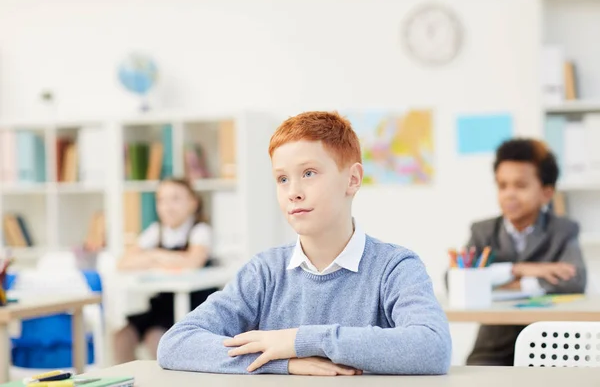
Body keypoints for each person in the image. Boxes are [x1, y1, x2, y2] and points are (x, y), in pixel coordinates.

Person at [157, 111, 451, 375]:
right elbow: (176, 343)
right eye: (282, 179)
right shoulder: (264, 272)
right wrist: (282, 363)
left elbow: (432, 347)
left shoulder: (394, 267)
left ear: (352, 180)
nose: (293, 192)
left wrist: (299, 340)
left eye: (309, 173)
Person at [465, 138, 587, 366]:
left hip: (553, 348)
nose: (509, 194)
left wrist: (501, 282)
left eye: (520, 186)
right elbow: (458, 280)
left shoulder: (563, 230)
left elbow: (575, 281)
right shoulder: (483, 231)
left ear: (546, 193)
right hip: (493, 349)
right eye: (502, 185)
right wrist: (520, 269)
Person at [113, 177, 217, 363]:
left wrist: (154, 255)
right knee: (122, 337)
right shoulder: (156, 231)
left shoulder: (200, 231)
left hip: (193, 307)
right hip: (162, 306)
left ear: (193, 203)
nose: (168, 206)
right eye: (162, 200)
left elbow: (192, 262)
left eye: (175, 199)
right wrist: (163, 258)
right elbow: (124, 262)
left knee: (157, 339)